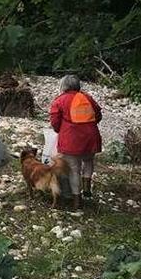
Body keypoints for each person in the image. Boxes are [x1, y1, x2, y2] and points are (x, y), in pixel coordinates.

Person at [49, 74, 102, 210]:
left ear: (63, 86)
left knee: (74, 170)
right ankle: (87, 187)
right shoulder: (87, 98)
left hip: (71, 140)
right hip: (91, 138)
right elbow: (98, 115)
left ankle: (77, 201)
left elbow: (55, 122)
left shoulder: (59, 101)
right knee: (88, 161)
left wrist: (61, 131)